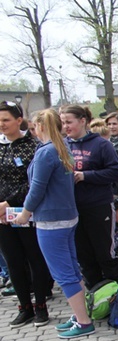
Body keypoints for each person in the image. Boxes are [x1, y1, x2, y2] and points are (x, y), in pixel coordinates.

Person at [13, 109, 93, 337]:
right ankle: (80, 315)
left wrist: (25, 213)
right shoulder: (60, 147)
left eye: (33, 128)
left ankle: (84, 321)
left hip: (51, 220)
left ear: (40, 127)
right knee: (71, 269)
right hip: (66, 216)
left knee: (63, 273)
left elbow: (37, 188)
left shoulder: (46, 152)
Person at [0, 101, 52, 328]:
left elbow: (33, 181)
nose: (1, 125)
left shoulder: (31, 146)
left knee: (34, 258)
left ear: (18, 120)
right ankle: (25, 307)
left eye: (6, 120)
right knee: (13, 261)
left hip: (25, 210)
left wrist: (8, 202)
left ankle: (40, 305)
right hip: (2, 214)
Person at [61, 105, 118, 288]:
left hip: (98, 206)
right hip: (74, 208)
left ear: (82, 121)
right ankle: (96, 295)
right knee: (84, 256)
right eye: (63, 122)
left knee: (104, 253)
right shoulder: (63, 146)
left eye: (69, 122)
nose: (65, 126)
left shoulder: (101, 145)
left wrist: (85, 176)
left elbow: (116, 173)